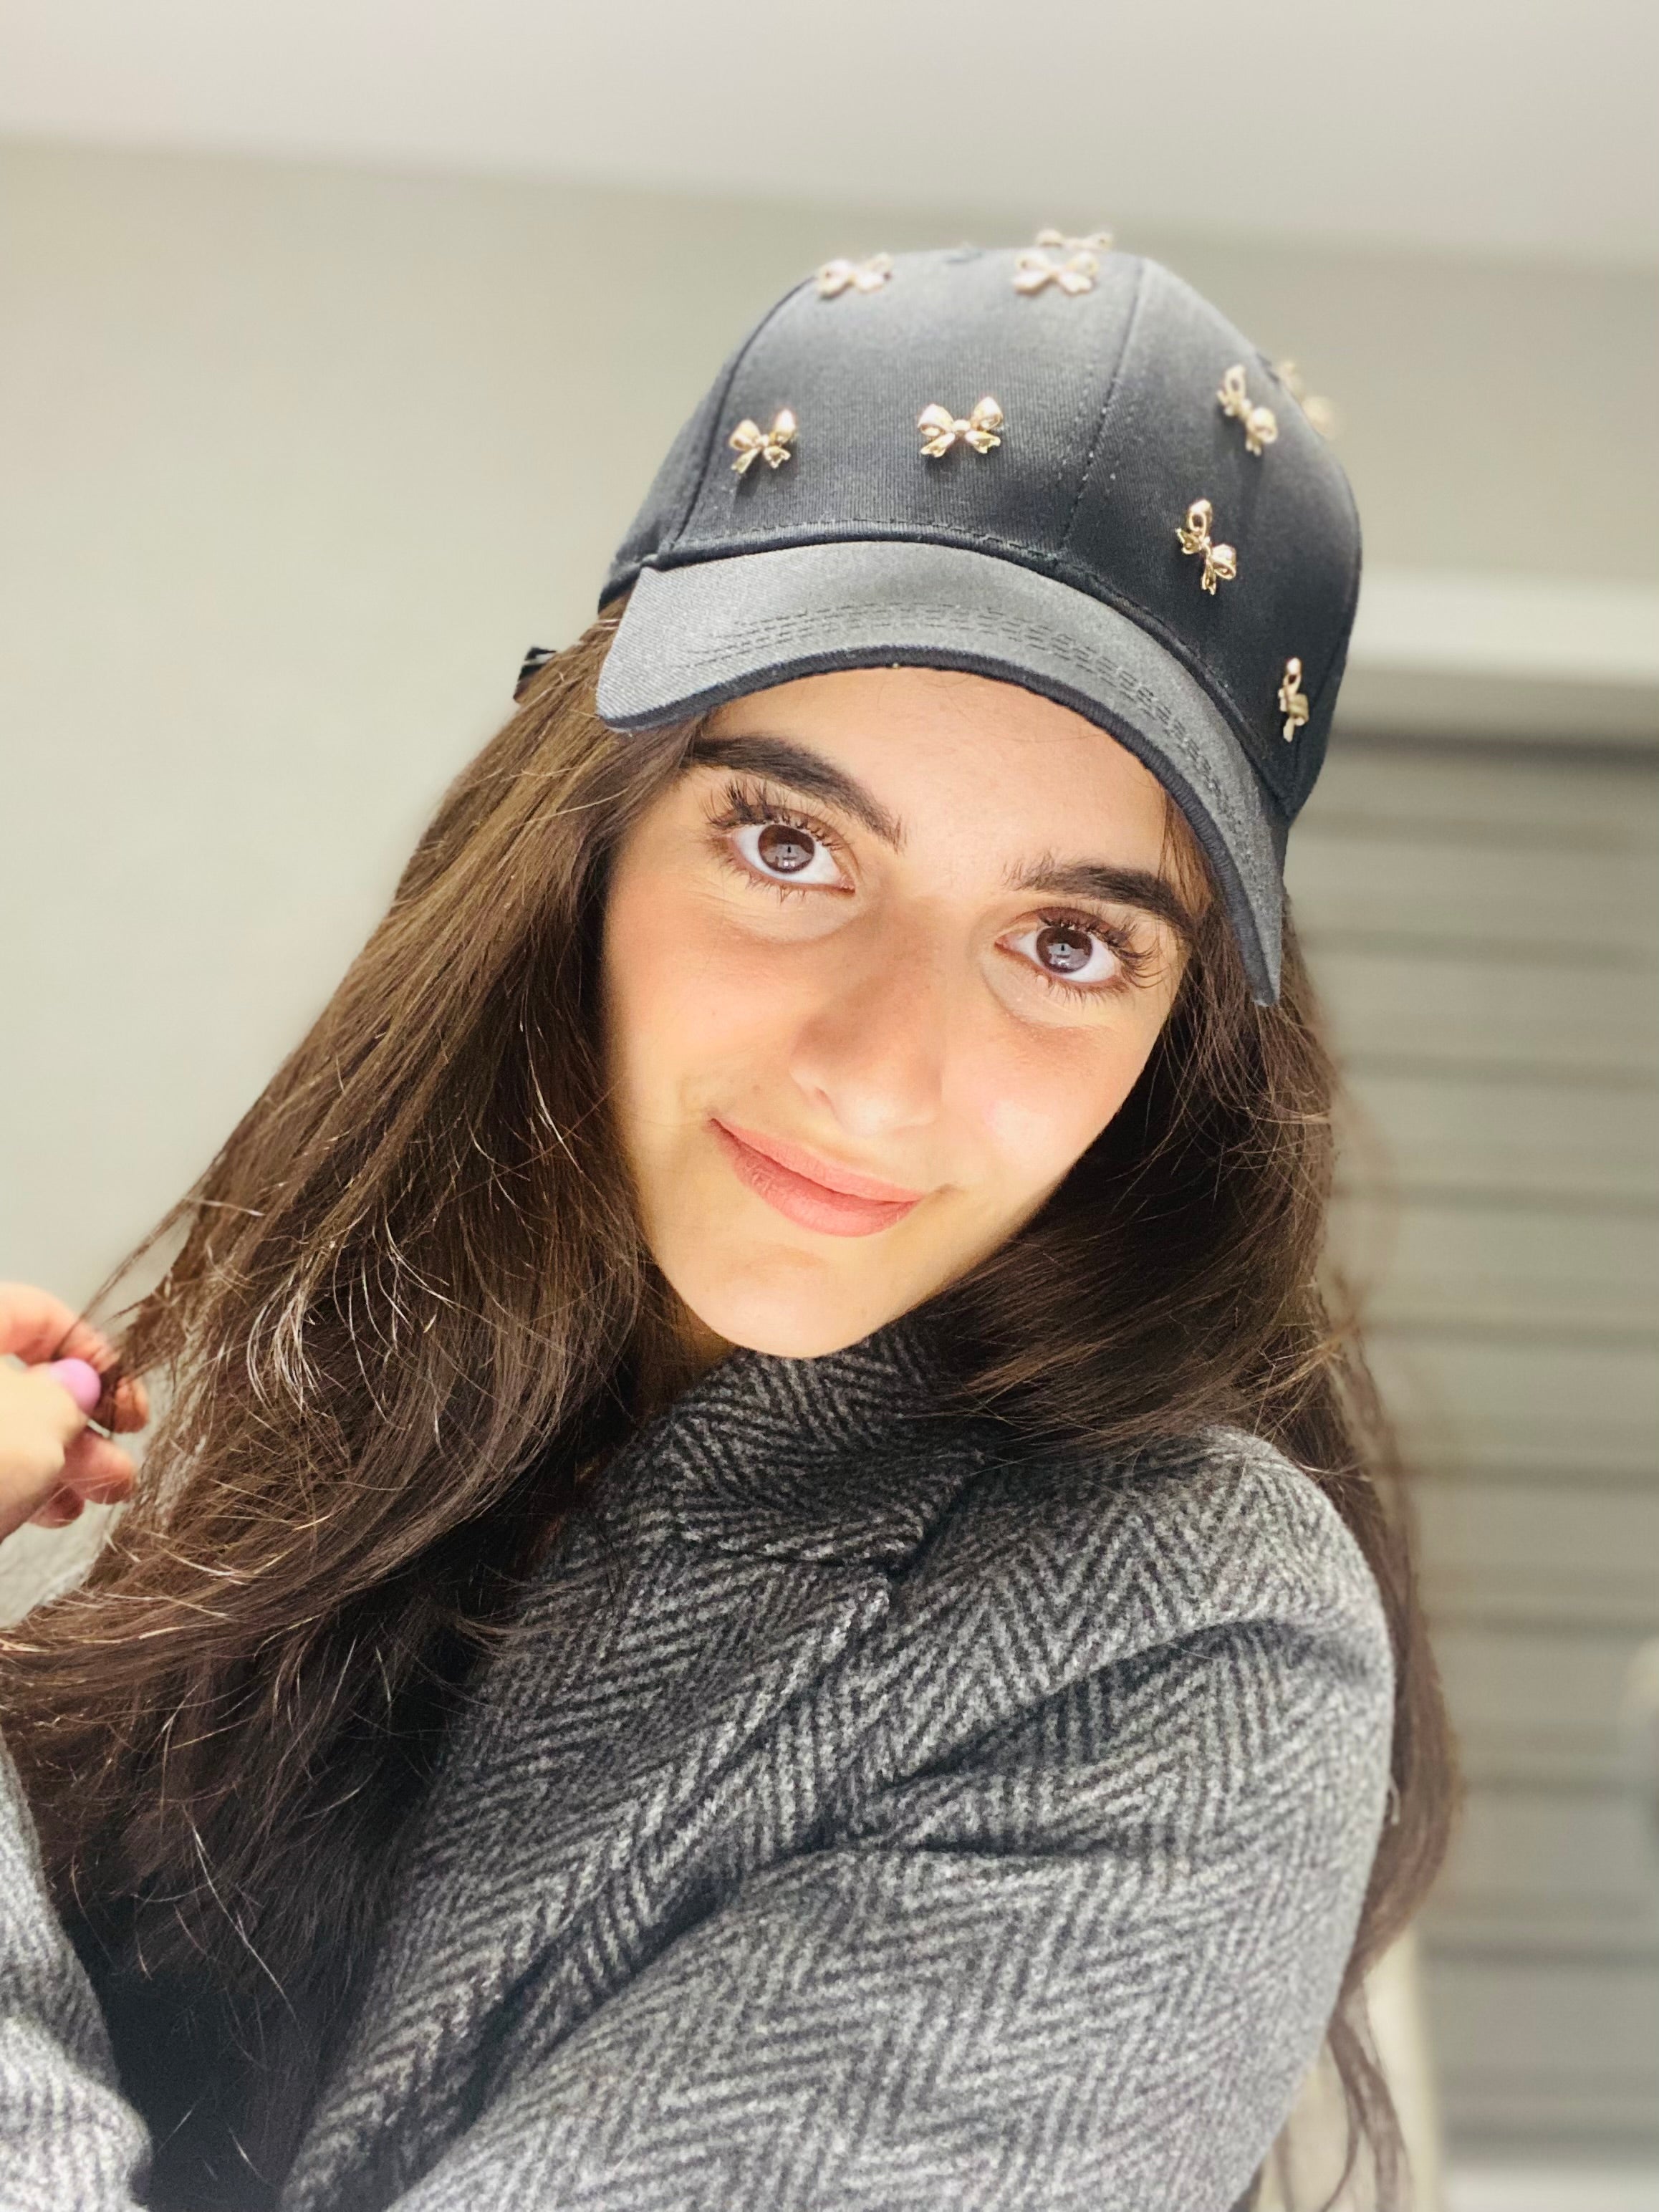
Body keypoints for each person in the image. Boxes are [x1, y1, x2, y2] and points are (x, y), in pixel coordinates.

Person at [0, 236, 1458, 2212]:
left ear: (1177, 1035)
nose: (877, 1073)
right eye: (789, 843)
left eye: (1065, 940)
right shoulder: (350, 1407)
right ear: (583, 845)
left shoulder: (1177, 1635)